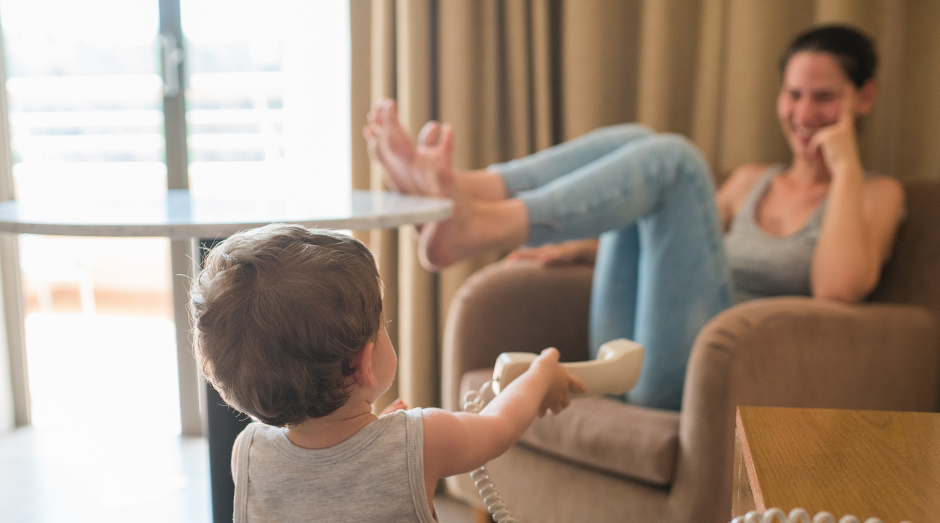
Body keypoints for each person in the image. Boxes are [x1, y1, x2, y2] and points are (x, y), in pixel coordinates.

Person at [363, 24, 905, 411]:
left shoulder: (877, 195)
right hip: (638, 344)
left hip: (717, 369)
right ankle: (461, 189)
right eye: (794, 95)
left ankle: (475, 220)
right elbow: (672, 248)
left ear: (865, 98)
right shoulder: (750, 182)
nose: (805, 114)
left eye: (825, 98)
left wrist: (847, 164)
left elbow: (839, 288)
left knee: (675, 163)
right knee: (640, 145)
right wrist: (574, 248)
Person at [189, 223, 585, 522]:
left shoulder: (247, 452)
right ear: (363, 364)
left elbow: (327, 487)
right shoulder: (425, 439)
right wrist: (541, 375)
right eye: (383, 325)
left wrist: (381, 439)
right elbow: (499, 426)